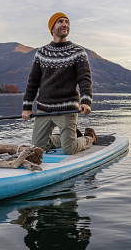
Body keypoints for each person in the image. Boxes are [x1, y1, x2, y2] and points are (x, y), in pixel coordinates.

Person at [22, 12, 97, 154]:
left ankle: (89, 137)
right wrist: (27, 107)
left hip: (67, 108)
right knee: (38, 148)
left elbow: (85, 78)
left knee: (69, 149)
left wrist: (86, 101)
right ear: (52, 28)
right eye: (60, 22)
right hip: (44, 108)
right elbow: (33, 81)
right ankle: (69, 137)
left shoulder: (78, 52)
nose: (65, 24)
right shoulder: (41, 53)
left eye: (67, 22)